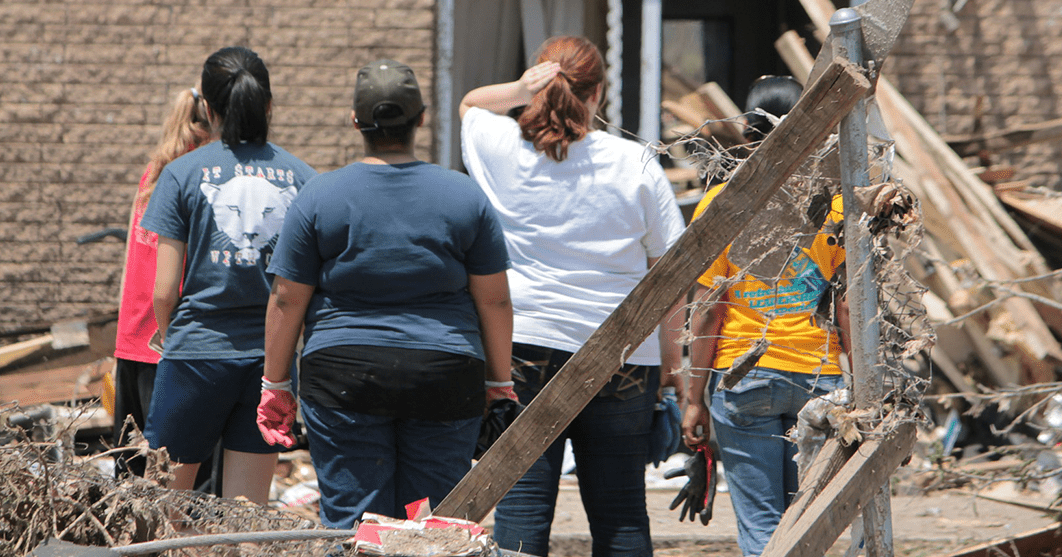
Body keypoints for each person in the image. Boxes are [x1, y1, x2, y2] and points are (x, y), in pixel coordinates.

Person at [259, 58, 515, 529]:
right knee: (433, 522)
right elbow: (494, 300)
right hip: (443, 376)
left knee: (356, 525)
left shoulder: (318, 196)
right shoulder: (464, 196)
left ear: (355, 122)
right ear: (421, 119)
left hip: (343, 378)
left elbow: (286, 299)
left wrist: (275, 385)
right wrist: (499, 384)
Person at [460, 35, 686, 557]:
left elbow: (471, 104)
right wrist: (671, 362)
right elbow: (671, 274)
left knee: (522, 507)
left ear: (536, 85)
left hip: (524, 347)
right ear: (598, 93)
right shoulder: (635, 162)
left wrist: (520, 89)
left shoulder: (502, 149)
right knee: (621, 512)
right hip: (623, 355)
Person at [681, 75, 850, 557]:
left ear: (747, 133)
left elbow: (707, 311)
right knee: (805, 522)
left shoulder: (723, 203)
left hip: (744, 377)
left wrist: (693, 399)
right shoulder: (835, 207)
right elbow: (845, 306)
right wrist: (859, 382)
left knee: (761, 526)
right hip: (818, 378)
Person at [140, 46, 316, 505]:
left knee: (164, 509)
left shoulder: (181, 174)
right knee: (246, 513)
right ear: (268, 104)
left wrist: (170, 337)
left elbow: (164, 291)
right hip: (270, 365)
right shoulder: (303, 178)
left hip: (194, 354)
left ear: (208, 107)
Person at [113, 86, 210, 478]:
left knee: (132, 471)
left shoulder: (152, 173)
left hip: (133, 336)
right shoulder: (199, 178)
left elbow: (130, 261)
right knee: (178, 475)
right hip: (169, 338)